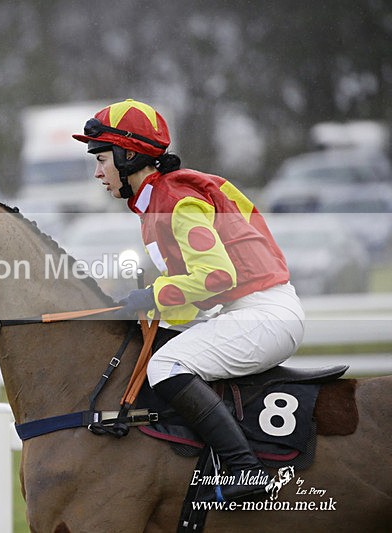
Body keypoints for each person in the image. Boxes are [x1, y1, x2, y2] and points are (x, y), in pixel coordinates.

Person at [73, 98, 305, 501]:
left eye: (102, 159)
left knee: (166, 364)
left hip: (263, 313)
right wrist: (144, 307)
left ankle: (246, 472)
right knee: (160, 345)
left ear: (129, 156)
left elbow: (215, 276)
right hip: (246, 309)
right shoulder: (159, 200)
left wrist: (152, 294)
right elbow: (195, 293)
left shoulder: (174, 199)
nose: (97, 172)